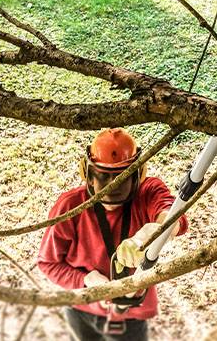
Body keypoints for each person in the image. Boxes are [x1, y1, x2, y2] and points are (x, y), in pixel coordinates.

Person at [38, 128, 188, 341]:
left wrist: (151, 232)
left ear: (138, 174)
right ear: (88, 176)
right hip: (81, 308)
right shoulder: (70, 207)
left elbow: (172, 213)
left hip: (131, 314)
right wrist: (86, 279)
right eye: (103, 175)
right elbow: (48, 263)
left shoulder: (148, 192)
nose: (112, 186)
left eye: (121, 177)